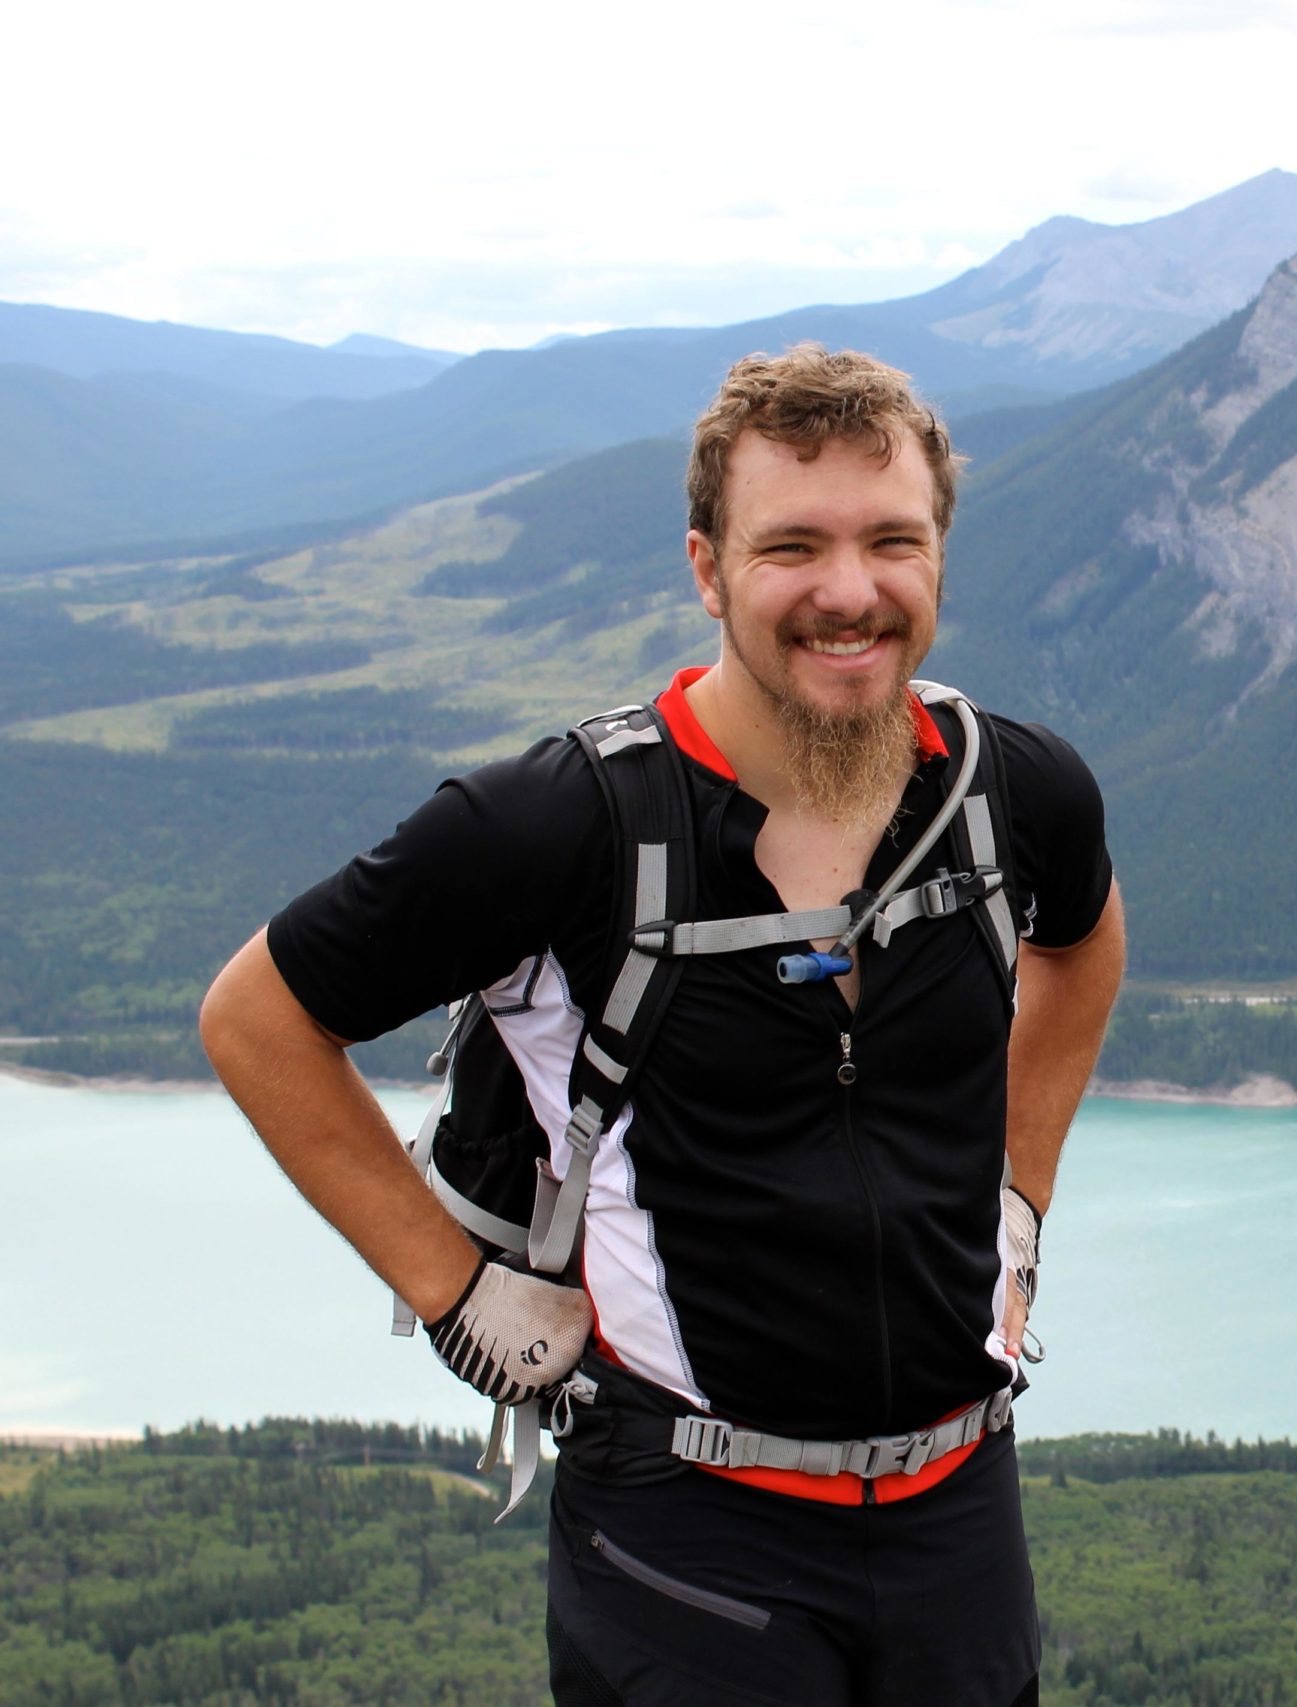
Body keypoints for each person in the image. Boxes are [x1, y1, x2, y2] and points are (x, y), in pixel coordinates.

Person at [199, 342, 1126, 1706]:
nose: (849, 591)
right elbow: (259, 1018)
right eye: (791, 546)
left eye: (893, 542)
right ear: (706, 566)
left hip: (959, 1510)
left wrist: (1019, 1204)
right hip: (689, 1541)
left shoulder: (1012, 796)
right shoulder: (563, 823)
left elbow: (1083, 945)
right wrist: (459, 1301)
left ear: (938, 559)